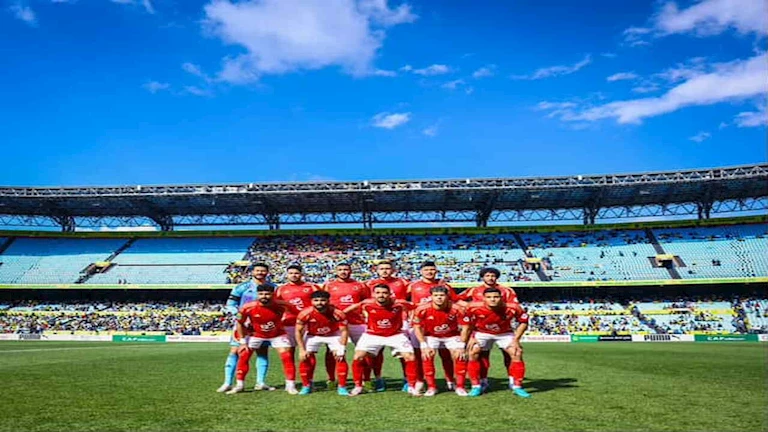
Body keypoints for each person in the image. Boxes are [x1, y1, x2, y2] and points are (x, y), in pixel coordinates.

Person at [343, 284, 419, 396]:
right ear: (373, 294)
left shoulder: (399, 303)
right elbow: (350, 309)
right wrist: (339, 315)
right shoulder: (367, 303)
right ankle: (358, 386)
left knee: (410, 357)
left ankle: (412, 386)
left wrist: (416, 319)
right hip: (373, 334)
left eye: (384, 293)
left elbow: (417, 307)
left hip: (395, 334)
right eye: (378, 293)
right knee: (358, 356)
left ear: (389, 294)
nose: (381, 295)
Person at [226, 284, 301, 395]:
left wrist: (288, 321)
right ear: (257, 294)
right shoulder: (247, 307)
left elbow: (298, 314)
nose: (264, 296)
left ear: (273, 294)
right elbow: (240, 323)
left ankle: (290, 386)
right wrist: (242, 341)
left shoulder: (283, 305)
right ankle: (240, 385)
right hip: (256, 334)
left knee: (287, 356)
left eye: (267, 294)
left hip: (278, 334)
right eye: (261, 294)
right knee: (244, 354)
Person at [216, 263, 275, 393]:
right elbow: (230, 304)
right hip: (244, 324)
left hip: (262, 324)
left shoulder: (274, 287)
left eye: (263, 271)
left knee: (262, 351)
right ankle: (227, 383)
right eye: (257, 270)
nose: (260, 273)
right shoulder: (242, 287)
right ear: (252, 272)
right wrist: (240, 316)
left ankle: (260, 382)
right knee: (235, 351)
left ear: (267, 272)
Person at [457, 267, 519, 389]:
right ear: (482, 277)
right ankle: (483, 380)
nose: (490, 278)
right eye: (487, 276)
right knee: (481, 355)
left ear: (497, 277)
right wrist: (469, 305)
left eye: (493, 276)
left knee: (510, 354)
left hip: (503, 327)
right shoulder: (474, 290)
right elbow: (457, 299)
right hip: (481, 328)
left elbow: (514, 305)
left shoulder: (506, 290)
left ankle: (513, 380)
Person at [464, 287, 530, 398]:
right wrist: (471, 337)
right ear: (483, 298)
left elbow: (524, 322)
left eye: (496, 297)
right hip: (482, 332)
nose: (493, 299)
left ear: (501, 298)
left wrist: (515, 340)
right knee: (473, 352)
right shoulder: (472, 306)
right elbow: (466, 323)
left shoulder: (513, 307)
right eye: (489, 297)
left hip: (504, 333)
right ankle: (476, 386)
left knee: (516, 353)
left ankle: (517, 386)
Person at [408, 261, 459, 391]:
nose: (429, 272)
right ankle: (420, 380)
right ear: (421, 271)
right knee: (420, 354)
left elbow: (455, 301)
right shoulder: (413, 286)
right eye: (426, 270)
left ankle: (450, 380)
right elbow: (402, 300)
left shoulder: (444, 286)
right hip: (419, 325)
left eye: (432, 269)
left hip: (441, 324)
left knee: (445, 354)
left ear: (436, 271)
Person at [411, 286, 471, 396]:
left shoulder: (458, 308)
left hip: (451, 335)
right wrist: (423, 344)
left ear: (447, 296)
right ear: (431, 297)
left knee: (460, 355)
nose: (439, 298)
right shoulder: (422, 309)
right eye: (436, 295)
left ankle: (460, 387)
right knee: (427, 355)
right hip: (431, 335)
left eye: (442, 295)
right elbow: (417, 327)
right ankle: (431, 387)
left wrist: (462, 345)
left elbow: (466, 327)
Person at [322, 263, 371, 391]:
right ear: (335, 271)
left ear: (351, 271)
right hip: (335, 323)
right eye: (340, 270)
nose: (343, 272)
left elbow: (367, 302)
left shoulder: (360, 285)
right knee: (332, 352)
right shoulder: (329, 285)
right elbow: (323, 302)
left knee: (364, 351)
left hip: (357, 322)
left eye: (346, 269)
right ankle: (331, 379)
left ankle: (366, 379)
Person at [365, 260, 411, 391]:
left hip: (400, 321)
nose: (385, 271)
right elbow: (365, 301)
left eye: (387, 268)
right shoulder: (369, 284)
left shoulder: (403, 282)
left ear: (393, 270)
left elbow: (411, 298)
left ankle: (407, 379)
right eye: (382, 268)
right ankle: (378, 379)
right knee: (376, 353)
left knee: (404, 352)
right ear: (376, 270)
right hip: (376, 321)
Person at [294, 291, 350, 396]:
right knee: (305, 357)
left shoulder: (337, 313)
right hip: (313, 335)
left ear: (328, 301)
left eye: (323, 300)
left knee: (340, 356)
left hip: (333, 334)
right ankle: (306, 385)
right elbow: (298, 331)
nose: (319, 303)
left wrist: (342, 347)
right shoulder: (305, 313)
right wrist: (301, 349)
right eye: (316, 300)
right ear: (311, 301)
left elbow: (344, 331)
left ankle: (342, 387)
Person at [275, 264, 321, 367]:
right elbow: (276, 305)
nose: (293, 275)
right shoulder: (281, 289)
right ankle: (291, 376)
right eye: (291, 273)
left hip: (308, 324)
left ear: (301, 274)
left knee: (308, 352)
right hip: (288, 323)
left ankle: (308, 376)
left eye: (296, 273)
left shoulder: (312, 287)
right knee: (288, 352)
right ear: (287, 275)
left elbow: (322, 302)